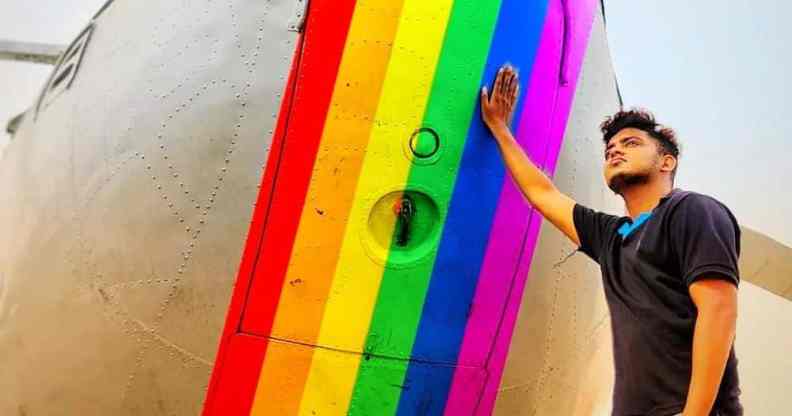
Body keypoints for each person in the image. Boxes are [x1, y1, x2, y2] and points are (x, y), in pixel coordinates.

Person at [480, 64, 742, 416]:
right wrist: (499, 128)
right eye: (610, 149)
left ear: (667, 161)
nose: (615, 150)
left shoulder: (691, 210)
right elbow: (543, 194)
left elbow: (718, 308)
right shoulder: (612, 238)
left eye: (631, 143)